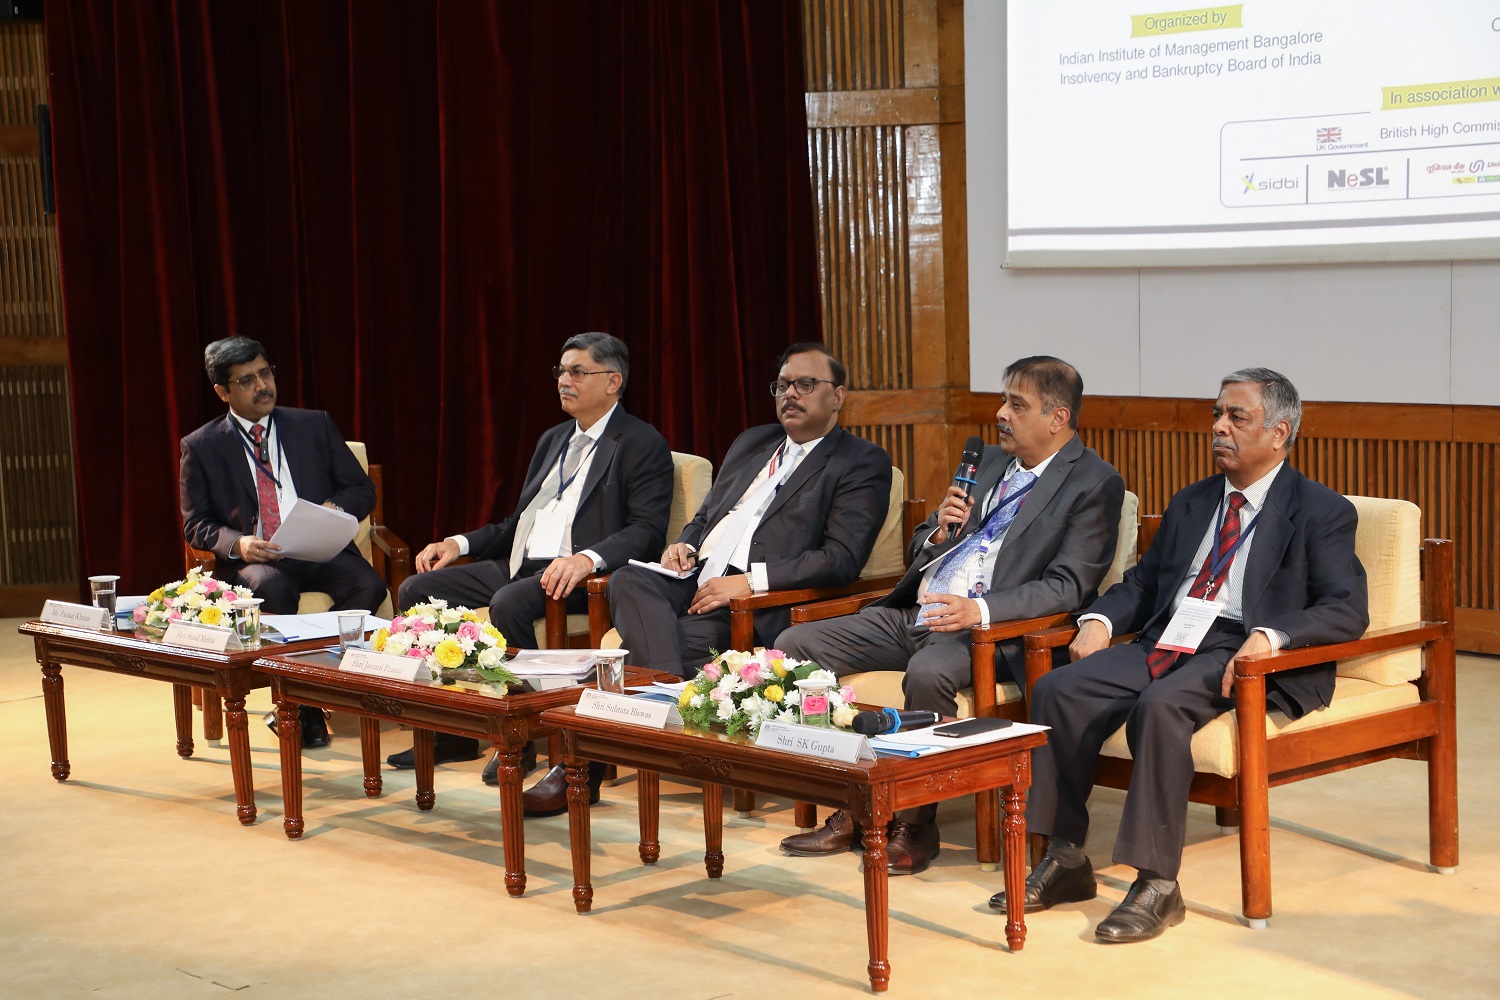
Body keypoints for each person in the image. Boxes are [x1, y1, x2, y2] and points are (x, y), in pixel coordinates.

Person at [998, 367, 1369, 944]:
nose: (1219, 427)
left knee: (1161, 705)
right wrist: (1099, 620)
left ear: (1279, 433)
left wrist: (1272, 636)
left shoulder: (1321, 510)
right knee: (1056, 690)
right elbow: (1145, 584)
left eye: (1236, 417)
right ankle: (1067, 857)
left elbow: (1345, 609)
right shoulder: (1194, 501)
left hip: (1241, 646)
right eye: (1217, 415)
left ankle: (1157, 884)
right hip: (1169, 635)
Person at [775, 356, 1124, 874]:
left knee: (930, 673)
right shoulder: (986, 465)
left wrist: (978, 610)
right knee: (795, 645)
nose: (1000, 412)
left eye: (1016, 404)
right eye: (1003, 399)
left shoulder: (1093, 482)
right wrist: (937, 530)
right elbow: (927, 543)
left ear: (1058, 418)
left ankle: (915, 825)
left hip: (986, 630)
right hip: (918, 610)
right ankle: (852, 805)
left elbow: (1067, 586)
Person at [576, 343, 893, 811]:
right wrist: (682, 543)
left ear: (838, 396)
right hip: (696, 577)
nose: (791, 394)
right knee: (627, 579)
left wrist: (751, 582)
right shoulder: (752, 442)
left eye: (806, 385)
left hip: (751, 606)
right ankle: (664, 716)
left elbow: (841, 558)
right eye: (783, 385)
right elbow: (706, 517)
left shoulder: (859, 461)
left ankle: (603, 751)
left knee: (633, 652)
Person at [390, 332, 673, 794]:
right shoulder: (553, 439)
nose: (564, 380)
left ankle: (525, 736)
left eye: (577, 371)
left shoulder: (641, 442)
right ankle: (454, 732)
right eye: (560, 371)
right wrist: (458, 543)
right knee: (417, 592)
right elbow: (515, 521)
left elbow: (646, 529)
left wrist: (587, 557)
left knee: (509, 604)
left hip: (582, 574)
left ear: (613, 381)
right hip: (521, 563)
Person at [180, 336, 387, 748]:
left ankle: (316, 685)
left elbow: (361, 490)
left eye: (265, 373)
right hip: (259, 558)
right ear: (222, 391)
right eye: (246, 381)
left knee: (369, 584)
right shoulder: (201, 446)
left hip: (317, 546)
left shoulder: (313, 425)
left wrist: (331, 508)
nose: (263, 386)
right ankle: (300, 702)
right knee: (271, 587)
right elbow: (196, 524)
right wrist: (238, 543)